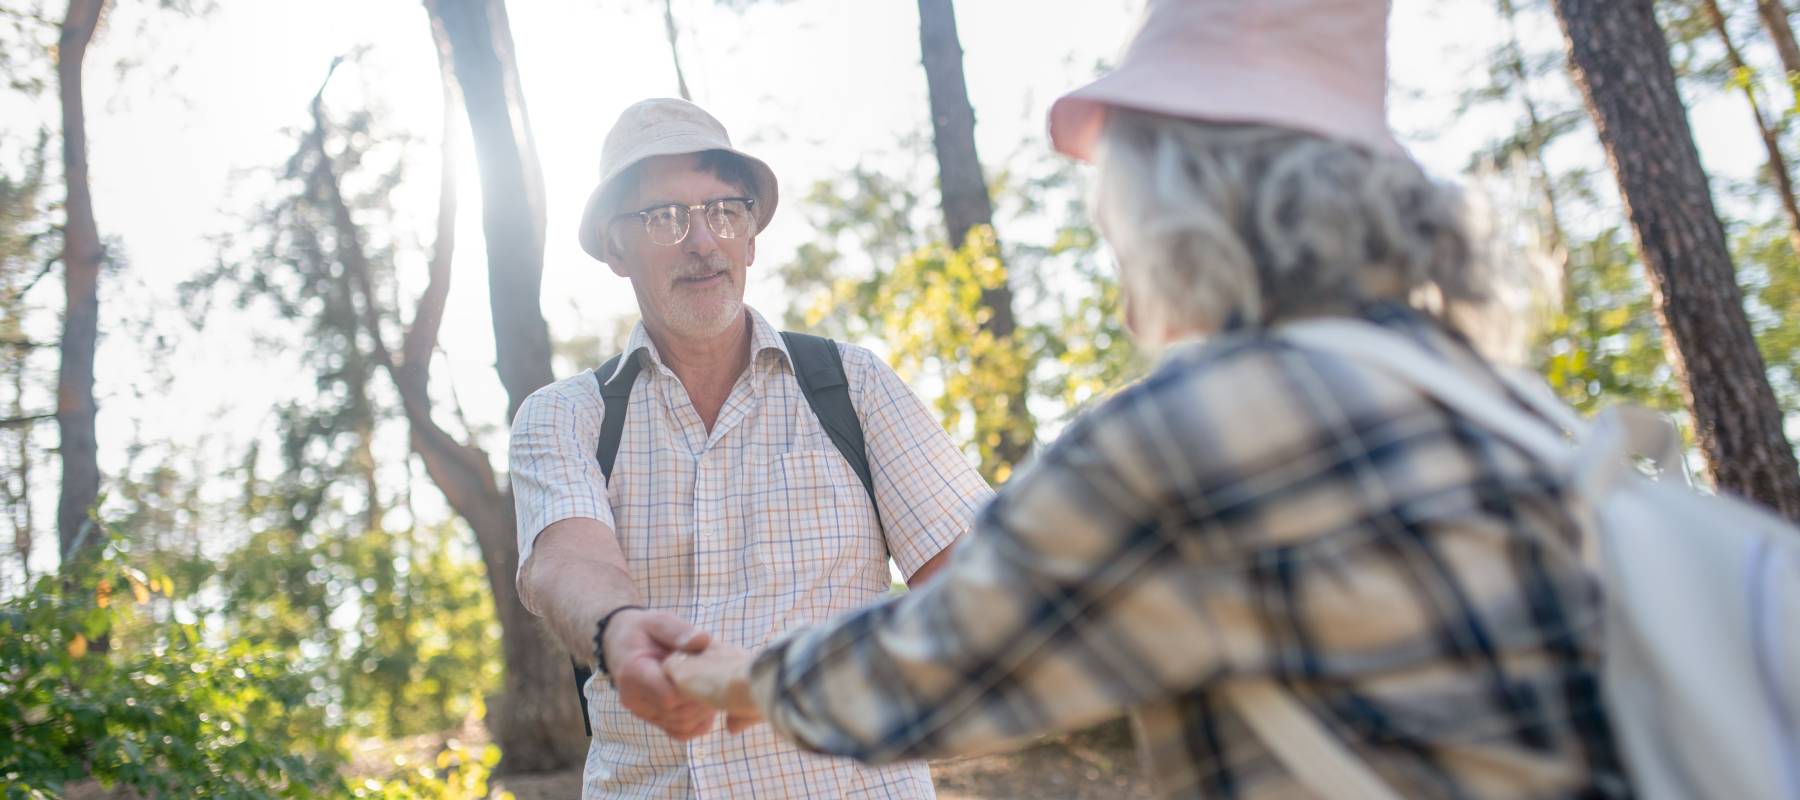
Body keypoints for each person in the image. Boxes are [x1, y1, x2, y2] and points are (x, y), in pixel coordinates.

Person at [663, 1, 1634, 797]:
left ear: (1180, 189)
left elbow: (946, 656)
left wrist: (736, 681)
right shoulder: (1499, 405)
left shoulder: (1196, 436)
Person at [508, 97, 992, 798]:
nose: (703, 240)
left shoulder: (850, 386)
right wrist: (620, 631)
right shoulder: (564, 416)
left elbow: (971, 580)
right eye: (665, 217)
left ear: (751, 239)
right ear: (616, 248)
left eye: (724, 211)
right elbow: (568, 556)